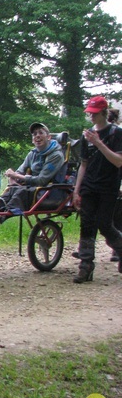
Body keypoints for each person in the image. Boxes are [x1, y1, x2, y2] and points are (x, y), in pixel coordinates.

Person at [72, 96, 122, 283]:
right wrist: (77, 190)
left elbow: (118, 161)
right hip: (89, 186)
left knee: (104, 224)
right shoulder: (87, 136)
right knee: (87, 224)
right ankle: (85, 266)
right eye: (89, 113)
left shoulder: (116, 134)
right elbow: (83, 164)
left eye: (94, 113)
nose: (91, 117)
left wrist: (99, 143)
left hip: (108, 186)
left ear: (103, 113)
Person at [0, 122, 64, 229]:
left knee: (21, 192)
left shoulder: (56, 155)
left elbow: (42, 180)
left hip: (48, 191)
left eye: (41, 133)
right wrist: (13, 178)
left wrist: (17, 176)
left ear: (48, 137)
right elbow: (20, 171)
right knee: (11, 191)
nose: (37, 136)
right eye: (34, 134)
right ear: (32, 140)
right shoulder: (32, 154)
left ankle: (1, 217)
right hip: (33, 188)